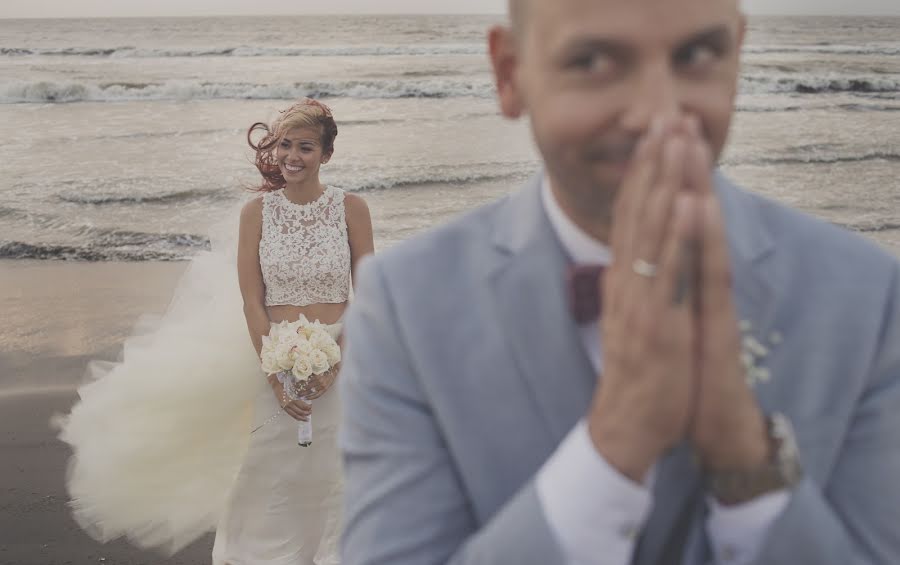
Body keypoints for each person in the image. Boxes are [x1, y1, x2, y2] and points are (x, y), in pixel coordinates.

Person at [337, 1, 900, 564]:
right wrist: (616, 441)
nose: (657, 114)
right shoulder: (404, 306)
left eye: (697, 54)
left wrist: (745, 460)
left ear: (737, 56)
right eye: (593, 60)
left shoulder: (871, 298)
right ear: (511, 74)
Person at [56, 98, 373, 565]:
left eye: (306, 147)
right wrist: (275, 374)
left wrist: (335, 365)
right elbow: (252, 300)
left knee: (338, 470)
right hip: (275, 354)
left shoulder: (351, 208)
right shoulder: (257, 214)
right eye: (285, 145)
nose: (292, 156)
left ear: (326, 154)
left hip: (346, 353)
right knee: (273, 467)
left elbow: (369, 294)